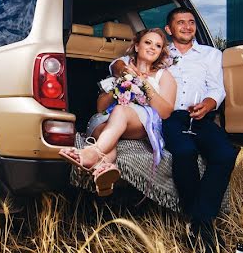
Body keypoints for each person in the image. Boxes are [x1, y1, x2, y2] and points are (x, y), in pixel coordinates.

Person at [111, 7, 239, 253]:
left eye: (191, 22)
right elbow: (121, 63)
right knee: (184, 152)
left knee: (225, 154)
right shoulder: (160, 51)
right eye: (180, 23)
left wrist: (209, 104)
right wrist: (120, 69)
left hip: (200, 115)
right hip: (170, 117)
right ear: (170, 29)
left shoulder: (211, 54)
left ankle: (200, 219)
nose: (187, 26)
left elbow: (217, 88)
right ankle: (199, 222)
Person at [60, 28, 177, 196]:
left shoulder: (163, 75)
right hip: (111, 118)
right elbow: (100, 108)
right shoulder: (122, 69)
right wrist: (119, 86)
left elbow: (166, 112)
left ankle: (92, 153)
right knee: (106, 131)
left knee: (121, 110)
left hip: (141, 122)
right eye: (148, 42)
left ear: (160, 52)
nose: (152, 48)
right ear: (137, 46)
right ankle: (104, 168)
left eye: (158, 46)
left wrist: (144, 84)